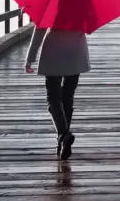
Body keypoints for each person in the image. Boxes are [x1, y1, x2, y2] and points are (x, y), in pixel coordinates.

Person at [25, 27, 90, 160]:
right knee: (68, 96)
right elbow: (89, 27)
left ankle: (63, 135)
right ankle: (63, 139)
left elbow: (40, 29)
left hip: (53, 49)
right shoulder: (83, 5)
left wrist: (30, 58)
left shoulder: (50, 6)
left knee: (53, 98)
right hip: (76, 50)